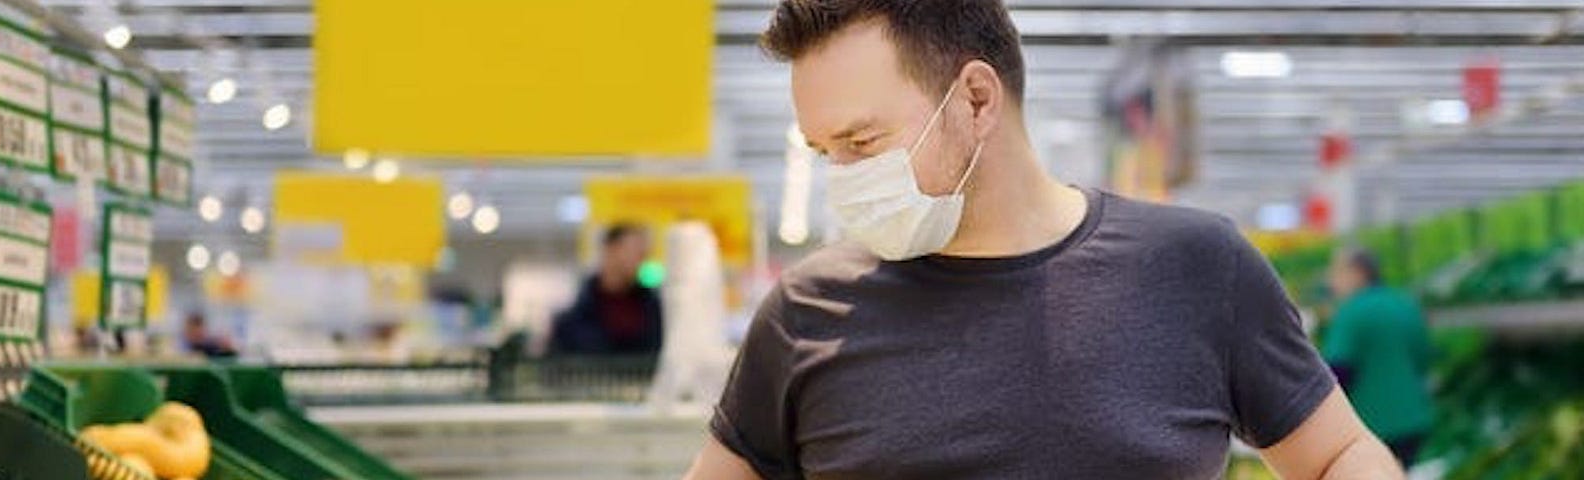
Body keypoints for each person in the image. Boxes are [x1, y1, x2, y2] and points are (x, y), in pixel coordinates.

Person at [684, 1, 1403, 478]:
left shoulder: (1195, 268)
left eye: (861, 140)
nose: (843, 174)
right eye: (823, 151)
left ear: (975, 98)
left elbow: (1338, 452)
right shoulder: (807, 312)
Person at [1322, 248, 1434, 467]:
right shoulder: (1405, 303)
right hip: (1414, 420)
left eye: (1337, 273)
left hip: (1373, 425)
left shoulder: (1351, 312)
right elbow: (1424, 357)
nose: (1331, 281)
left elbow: (1338, 372)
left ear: (1357, 273)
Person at [549, 223, 664, 355]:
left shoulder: (654, 311)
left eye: (644, 254)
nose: (642, 260)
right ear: (610, 249)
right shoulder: (572, 322)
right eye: (635, 252)